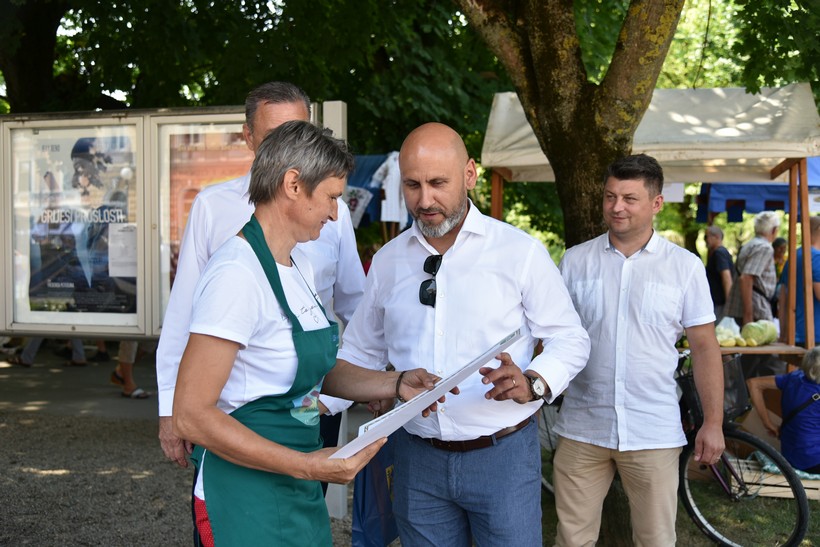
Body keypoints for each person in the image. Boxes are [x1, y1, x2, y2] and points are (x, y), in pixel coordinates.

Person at [172, 120, 442, 545]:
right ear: (293, 185)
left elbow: (317, 368)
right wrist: (309, 466)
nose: (336, 213)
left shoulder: (296, 265)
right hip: (245, 492)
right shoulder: (236, 275)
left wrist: (396, 383)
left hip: (295, 481)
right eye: (332, 197)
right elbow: (191, 415)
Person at [336, 122, 591, 546]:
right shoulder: (387, 261)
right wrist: (316, 407)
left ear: (469, 174)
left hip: (503, 457)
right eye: (412, 185)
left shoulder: (519, 252)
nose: (424, 200)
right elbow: (359, 352)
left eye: (438, 183)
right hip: (416, 459)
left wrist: (533, 381)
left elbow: (570, 337)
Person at [156, 82, 365, 469]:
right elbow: (183, 313)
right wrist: (171, 406)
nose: (291, 147)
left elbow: (356, 307)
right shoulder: (214, 210)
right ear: (248, 137)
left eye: (299, 132)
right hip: (236, 410)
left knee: (307, 491)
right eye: (275, 136)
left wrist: (339, 396)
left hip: (314, 397)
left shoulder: (328, 216)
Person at [554, 154, 725, 546]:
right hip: (582, 426)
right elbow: (553, 336)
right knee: (571, 539)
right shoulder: (575, 261)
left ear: (656, 203)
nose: (617, 207)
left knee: (656, 540)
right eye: (610, 196)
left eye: (630, 198)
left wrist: (713, 422)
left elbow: (704, 348)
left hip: (653, 430)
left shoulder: (684, 267)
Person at [725, 211, 785, 377]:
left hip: (745, 306)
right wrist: (748, 315)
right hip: (756, 309)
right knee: (768, 359)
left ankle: (743, 388)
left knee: (751, 359)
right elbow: (746, 278)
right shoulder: (764, 247)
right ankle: (751, 390)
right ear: (774, 230)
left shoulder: (750, 244)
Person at [747, 346, 820, 474]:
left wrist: (767, 423)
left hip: (790, 455)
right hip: (813, 460)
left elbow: (753, 383)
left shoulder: (794, 377)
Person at [778, 216, 820, 346]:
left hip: (794, 334)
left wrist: (783, 333)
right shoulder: (817, 257)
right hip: (815, 334)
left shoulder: (792, 257)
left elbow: (782, 298)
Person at [705, 225, 734, 322]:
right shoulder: (720, 252)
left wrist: (729, 305)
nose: (705, 240)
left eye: (706, 237)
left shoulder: (719, 253)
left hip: (720, 304)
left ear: (716, 237)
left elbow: (726, 278)